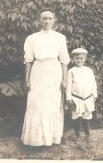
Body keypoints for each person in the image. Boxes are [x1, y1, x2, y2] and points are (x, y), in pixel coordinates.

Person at [21, 8, 70, 146]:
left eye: (49, 18)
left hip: (54, 73)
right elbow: (28, 60)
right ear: (39, 21)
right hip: (38, 73)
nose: (47, 21)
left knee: (52, 103)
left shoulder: (60, 37)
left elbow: (64, 60)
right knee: (36, 103)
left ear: (54, 20)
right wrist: (27, 79)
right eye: (44, 18)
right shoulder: (31, 38)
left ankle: (51, 138)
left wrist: (65, 79)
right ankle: (36, 139)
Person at [66, 48, 97, 143]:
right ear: (73, 59)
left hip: (87, 98)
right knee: (76, 116)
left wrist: (94, 95)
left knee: (86, 116)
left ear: (85, 59)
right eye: (77, 58)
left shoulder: (89, 70)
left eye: (81, 58)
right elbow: (68, 86)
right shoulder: (71, 71)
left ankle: (87, 134)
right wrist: (69, 99)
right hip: (76, 99)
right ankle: (77, 136)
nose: (79, 60)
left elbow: (93, 83)